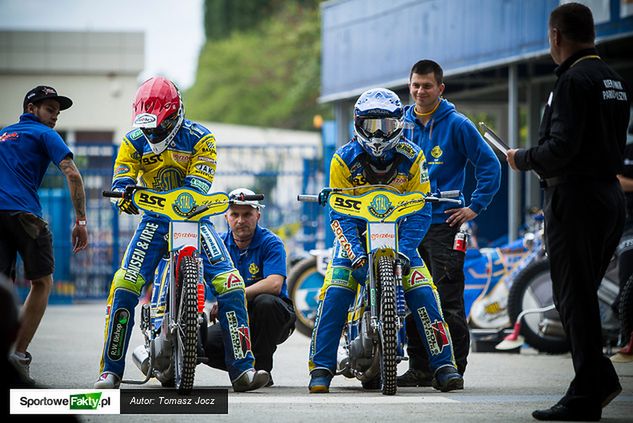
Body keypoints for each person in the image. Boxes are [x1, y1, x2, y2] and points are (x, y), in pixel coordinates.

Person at [94, 77, 269, 392]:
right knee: (124, 284)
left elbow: (197, 187)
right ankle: (110, 371)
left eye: (158, 127)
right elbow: (121, 177)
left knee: (231, 285)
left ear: (176, 116)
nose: (152, 134)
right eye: (147, 128)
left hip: (196, 219)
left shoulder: (202, 138)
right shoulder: (133, 140)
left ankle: (243, 370)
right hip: (153, 220)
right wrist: (124, 194)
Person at [507, 3, 630, 421]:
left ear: (556, 36)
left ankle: (588, 392)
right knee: (580, 295)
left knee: (572, 298)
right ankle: (592, 382)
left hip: (575, 199)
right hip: (609, 197)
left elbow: (561, 149)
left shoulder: (572, 82)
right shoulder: (614, 79)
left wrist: (522, 157)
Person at [308, 88, 463, 393]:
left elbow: (422, 210)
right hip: (355, 238)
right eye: (371, 125)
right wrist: (354, 255)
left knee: (423, 290)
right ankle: (321, 368)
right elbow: (338, 213)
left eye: (386, 126)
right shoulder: (343, 158)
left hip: (400, 239)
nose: (378, 134)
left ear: (399, 125)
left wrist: (405, 253)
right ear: (358, 124)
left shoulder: (414, 157)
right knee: (336, 292)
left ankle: (444, 365)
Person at [398, 60, 501, 387]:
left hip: (445, 223)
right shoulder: (399, 123)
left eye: (427, 85)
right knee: (412, 296)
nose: (420, 91)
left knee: (447, 298)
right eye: (415, 85)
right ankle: (420, 368)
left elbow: (490, 165)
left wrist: (474, 207)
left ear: (440, 89)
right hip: (408, 224)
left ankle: (453, 368)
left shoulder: (458, 124)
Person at [0, 86, 88, 384]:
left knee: (3, 286)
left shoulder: (3, 135)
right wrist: (81, 221)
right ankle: (19, 355)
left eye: (57, 113)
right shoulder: (44, 134)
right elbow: (72, 173)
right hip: (25, 215)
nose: (54, 118)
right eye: (50, 110)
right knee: (42, 282)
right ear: (31, 107)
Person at [203, 188, 296, 387]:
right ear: (226, 217)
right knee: (201, 343)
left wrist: (234, 294)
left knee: (266, 303)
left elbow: (274, 283)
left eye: (247, 214)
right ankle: (241, 368)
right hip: (233, 319)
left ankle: (262, 369)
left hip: (272, 317)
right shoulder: (217, 244)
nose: (241, 220)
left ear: (258, 216)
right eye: (235, 214)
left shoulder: (271, 242)